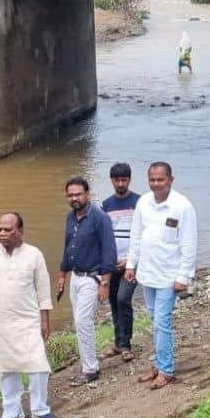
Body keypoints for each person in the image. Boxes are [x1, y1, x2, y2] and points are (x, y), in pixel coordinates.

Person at [0, 212, 56, 418]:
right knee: (6, 368)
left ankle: (40, 410)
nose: (2, 233)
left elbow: (43, 289)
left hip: (28, 320)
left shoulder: (34, 254)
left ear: (20, 231)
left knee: (38, 366)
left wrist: (44, 320)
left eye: (8, 230)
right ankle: (12, 412)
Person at [125, 162, 196, 390]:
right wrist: (130, 265)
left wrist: (183, 277)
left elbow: (188, 243)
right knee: (154, 321)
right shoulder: (143, 202)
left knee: (162, 323)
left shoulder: (182, 206)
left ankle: (167, 370)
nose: (156, 184)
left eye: (160, 180)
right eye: (152, 180)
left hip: (169, 276)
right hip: (148, 274)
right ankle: (158, 364)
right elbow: (136, 236)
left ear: (170, 180)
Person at [58, 177, 116, 386]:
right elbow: (68, 246)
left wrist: (105, 283)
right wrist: (62, 275)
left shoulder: (100, 218)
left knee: (83, 322)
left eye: (78, 194)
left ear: (87, 194)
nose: (74, 198)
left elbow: (110, 251)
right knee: (78, 321)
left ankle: (90, 369)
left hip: (93, 277)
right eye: (70, 195)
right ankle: (87, 362)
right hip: (75, 276)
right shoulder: (70, 217)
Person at [102, 163, 141, 363]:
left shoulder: (140, 202)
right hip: (112, 263)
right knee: (114, 302)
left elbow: (145, 234)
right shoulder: (106, 205)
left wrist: (130, 260)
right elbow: (104, 236)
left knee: (123, 299)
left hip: (131, 262)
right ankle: (118, 343)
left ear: (129, 180)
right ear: (111, 181)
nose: (120, 184)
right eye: (117, 180)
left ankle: (126, 345)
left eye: (124, 180)